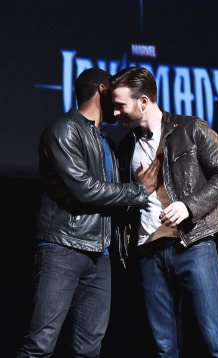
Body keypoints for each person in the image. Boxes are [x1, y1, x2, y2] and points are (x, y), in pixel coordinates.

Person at [15, 67, 160, 358]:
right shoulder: (63, 129)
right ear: (103, 91)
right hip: (62, 247)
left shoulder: (106, 140)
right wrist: (138, 190)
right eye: (115, 97)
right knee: (39, 345)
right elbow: (84, 189)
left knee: (89, 350)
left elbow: (110, 198)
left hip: (99, 254)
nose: (120, 109)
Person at [109, 66, 218, 358]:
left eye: (120, 106)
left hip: (193, 245)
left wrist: (189, 205)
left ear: (143, 102)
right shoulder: (126, 146)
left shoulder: (191, 128)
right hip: (148, 253)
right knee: (164, 348)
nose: (114, 113)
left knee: (217, 341)